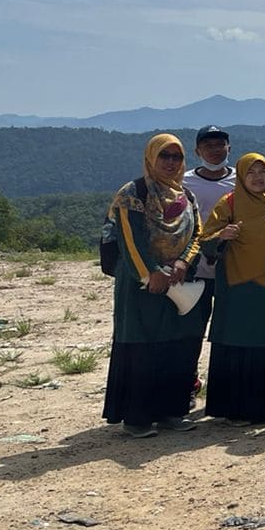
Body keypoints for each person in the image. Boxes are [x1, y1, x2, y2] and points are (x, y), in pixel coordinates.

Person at [102, 134, 205, 437]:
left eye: (176, 156)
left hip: (177, 281)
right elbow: (129, 239)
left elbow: (197, 232)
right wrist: (151, 274)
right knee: (141, 347)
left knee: (177, 346)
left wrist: (184, 262)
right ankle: (137, 417)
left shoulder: (186, 196)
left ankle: (171, 411)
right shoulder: (132, 193)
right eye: (165, 156)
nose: (171, 162)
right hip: (140, 285)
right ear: (151, 158)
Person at [199, 153, 265, 427]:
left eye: (262, 172)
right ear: (241, 176)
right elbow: (204, 241)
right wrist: (221, 236)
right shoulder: (229, 203)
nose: (257, 178)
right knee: (237, 345)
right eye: (251, 173)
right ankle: (235, 409)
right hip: (236, 288)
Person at [184, 125, 235, 401]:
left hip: (234, 270)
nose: (215, 150)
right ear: (197, 151)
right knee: (192, 330)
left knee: (228, 331)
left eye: (220, 144)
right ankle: (189, 382)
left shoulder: (244, 179)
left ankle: (224, 386)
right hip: (196, 270)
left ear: (229, 147)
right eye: (208, 146)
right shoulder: (185, 181)